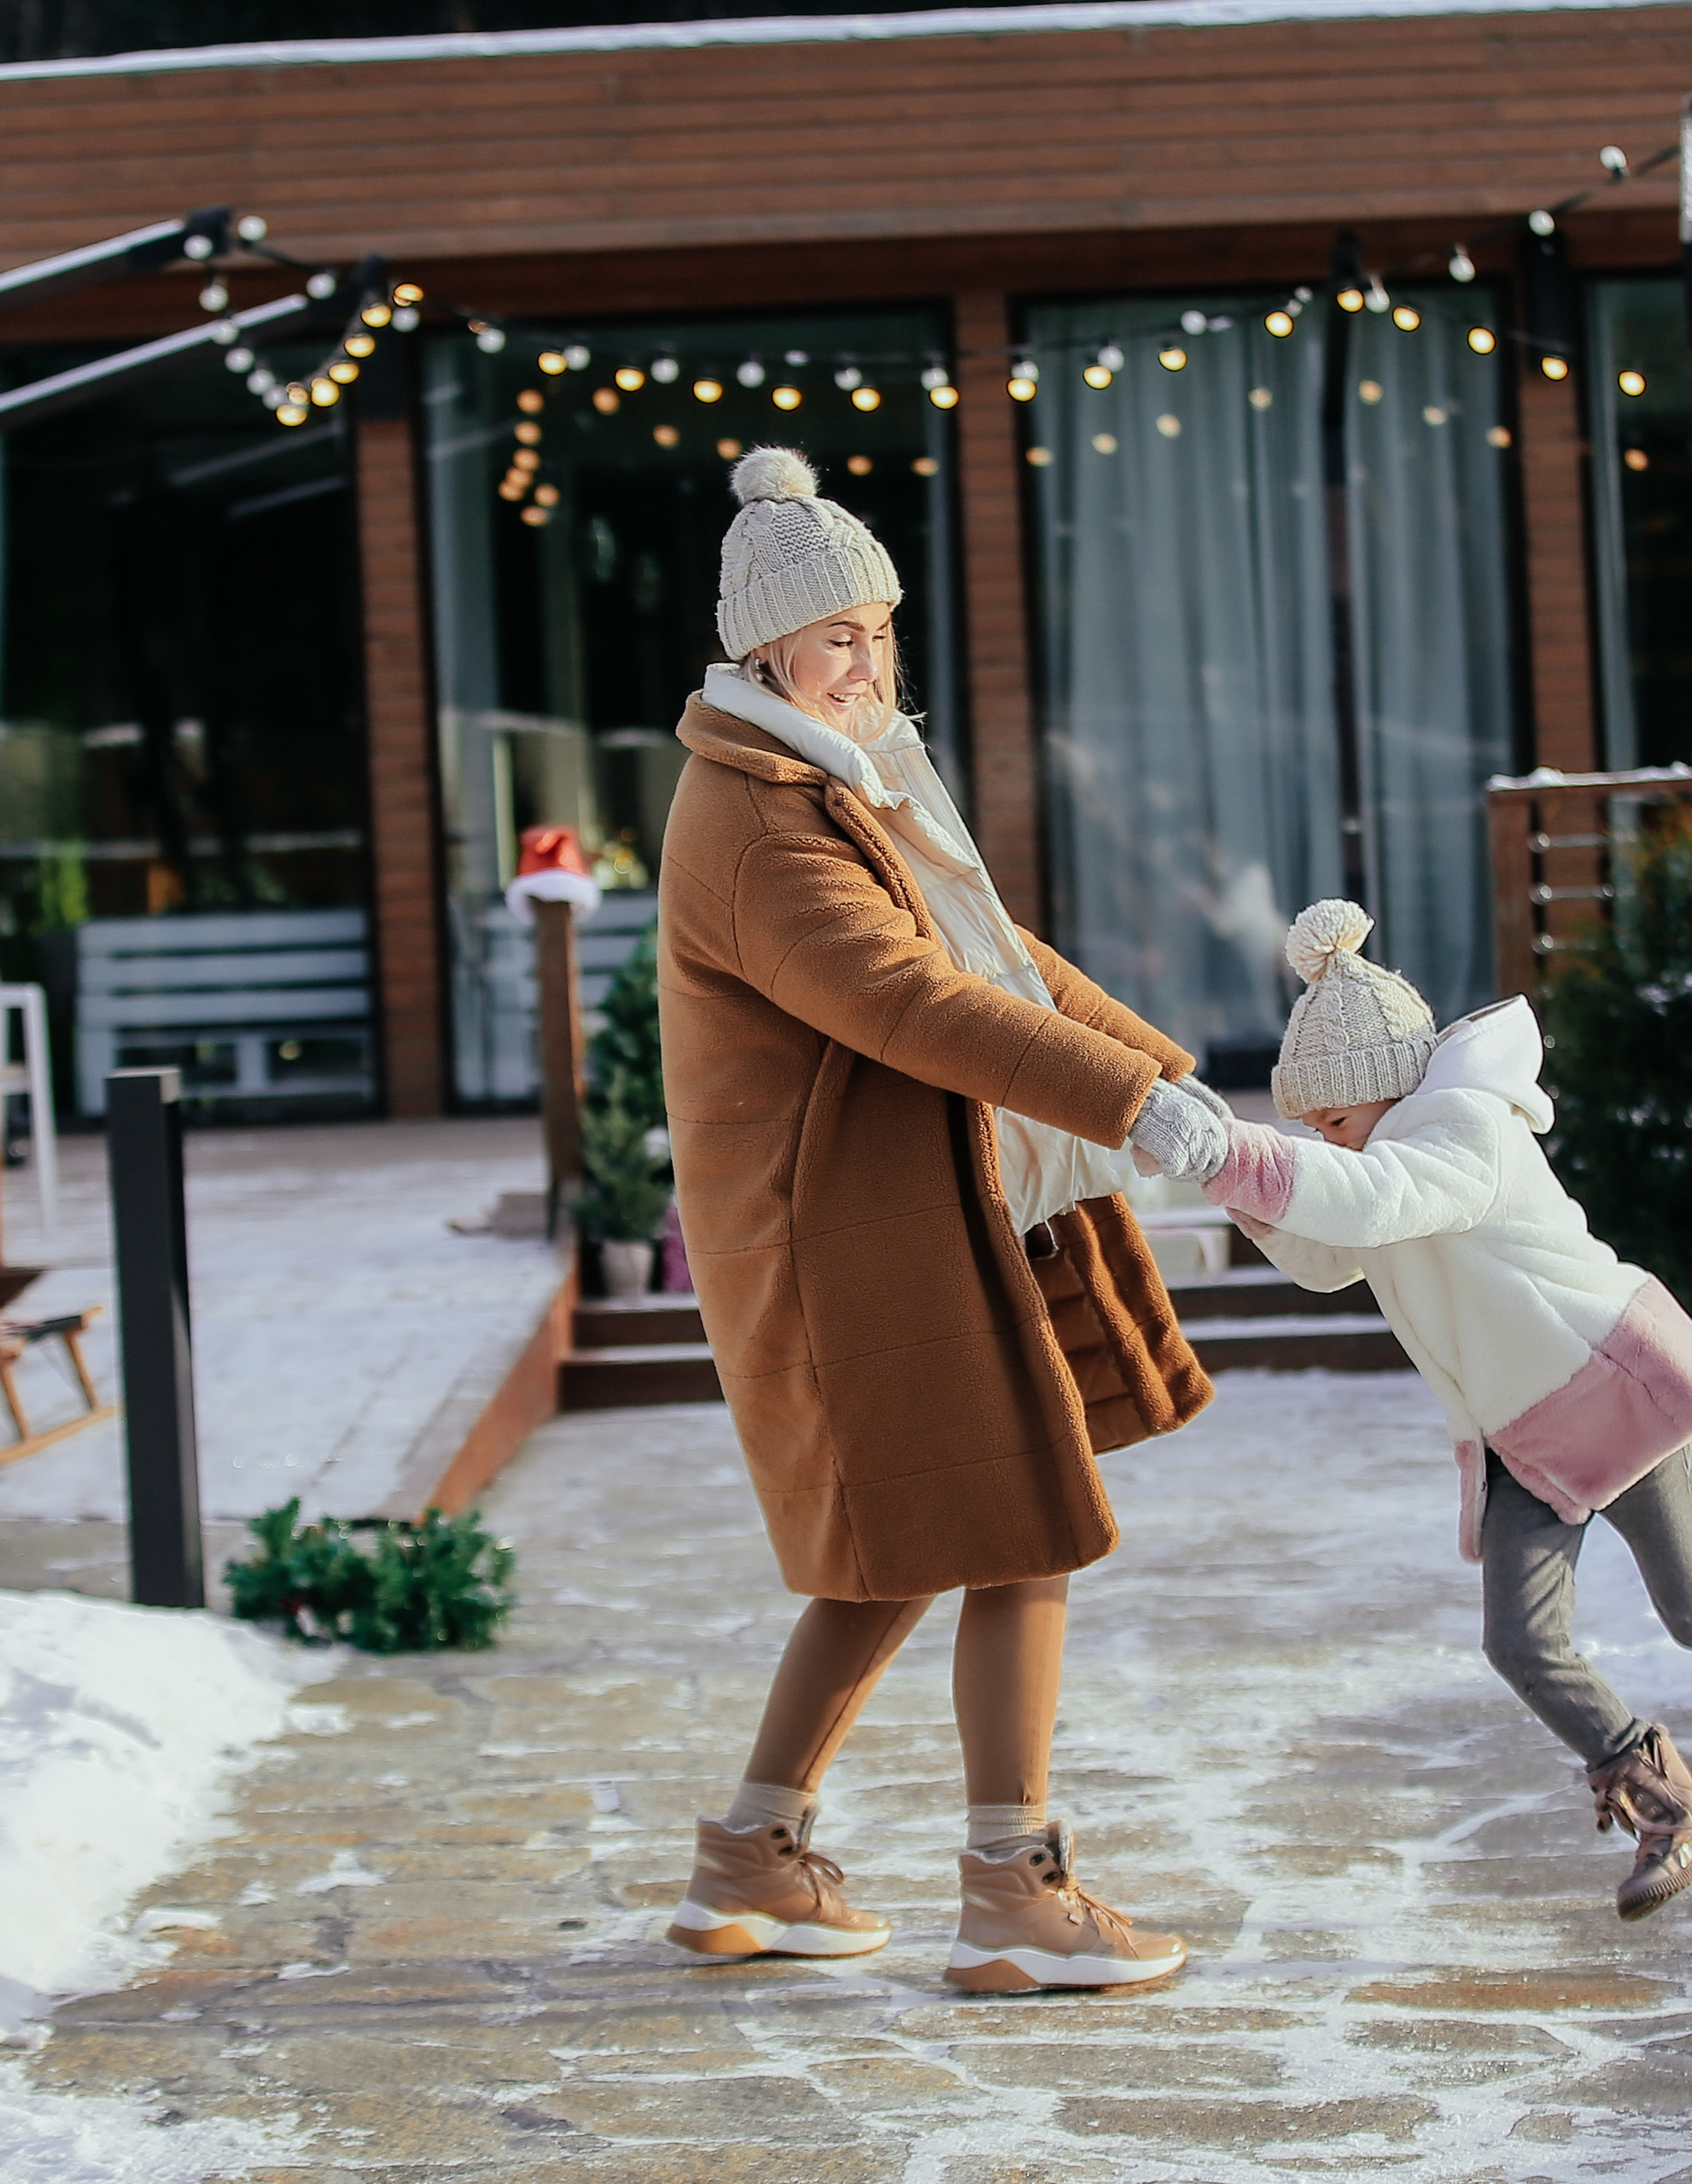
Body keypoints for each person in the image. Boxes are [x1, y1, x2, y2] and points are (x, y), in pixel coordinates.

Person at [654, 448, 1231, 1991]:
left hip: (892, 1219)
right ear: (765, 651)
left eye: (880, 626)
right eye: (839, 634)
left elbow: (996, 950)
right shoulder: (760, 820)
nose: (870, 656)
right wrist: (1129, 1106)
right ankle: (1014, 1891)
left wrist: (1169, 1077)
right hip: (848, 1247)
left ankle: (751, 1855)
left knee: (897, 1552)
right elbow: (907, 995)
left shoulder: (851, 775)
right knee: (1015, 1528)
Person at [1196, 899, 1692, 1921]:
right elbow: (1330, 1253)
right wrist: (1227, 1176)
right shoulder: (1385, 1163)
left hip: (1609, 1392)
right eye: (1307, 1127)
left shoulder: (1461, 1132)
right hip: (1521, 1435)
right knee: (1519, 1640)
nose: (1319, 1139)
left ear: (1381, 1090)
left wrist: (1233, 1154)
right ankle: (1668, 1802)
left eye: (1328, 1119)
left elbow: (1369, 1205)